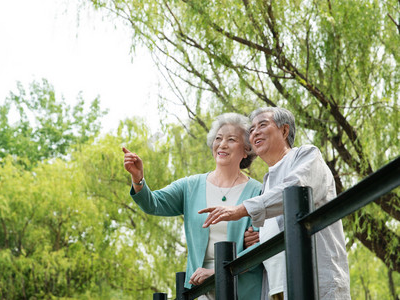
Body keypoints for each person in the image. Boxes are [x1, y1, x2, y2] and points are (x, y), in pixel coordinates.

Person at [200, 107, 351, 300]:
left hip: (314, 283)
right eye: (252, 129)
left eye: (262, 125)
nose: (255, 132)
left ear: (284, 130)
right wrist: (257, 238)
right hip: (276, 289)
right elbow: (275, 228)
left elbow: (292, 190)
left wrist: (240, 210)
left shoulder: (306, 156)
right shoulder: (266, 183)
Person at [123, 113, 263, 299]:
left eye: (231, 139)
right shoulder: (190, 186)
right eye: (218, 139)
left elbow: (260, 247)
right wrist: (138, 178)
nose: (222, 144)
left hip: (243, 287)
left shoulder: (258, 191)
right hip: (200, 287)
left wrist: (218, 273)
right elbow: (152, 204)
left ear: (246, 150)